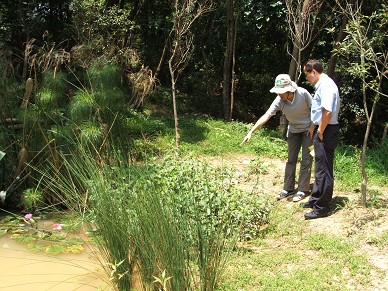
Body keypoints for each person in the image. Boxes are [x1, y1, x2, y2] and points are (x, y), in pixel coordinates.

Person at [242, 74, 313, 202]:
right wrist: (251, 131)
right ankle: (288, 188)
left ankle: (303, 189)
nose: (279, 94)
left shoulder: (303, 94)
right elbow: (267, 115)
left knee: (306, 160)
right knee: (291, 159)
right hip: (293, 130)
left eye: (281, 92)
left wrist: (315, 128)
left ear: (289, 90)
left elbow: (315, 110)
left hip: (309, 129)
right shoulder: (279, 100)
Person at [302, 59, 340, 220]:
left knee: (324, 170)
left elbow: (327, 111)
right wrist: (313, 126)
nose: (307, 78)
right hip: (322, 128)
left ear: (314, 72)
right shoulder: (323, 85)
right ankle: (316, 198)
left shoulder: (327, 85)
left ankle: (322, 207)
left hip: (327, 130)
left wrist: (321, 131)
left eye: (307, 75)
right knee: (319, 167)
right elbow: (319, 111)